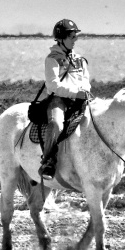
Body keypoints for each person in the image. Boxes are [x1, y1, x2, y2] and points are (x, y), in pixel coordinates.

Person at [39, 18, 92, 177]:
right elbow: (53, 86)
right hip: (58, 101)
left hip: (81, 99)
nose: (75, 40)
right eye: (72, 37)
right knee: (56, 124)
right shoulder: (52, 59)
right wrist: (76, 93)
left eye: (76, 36)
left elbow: (86, 80)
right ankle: (48, 162)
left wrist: (85, 91)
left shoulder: (80, 60)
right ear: (61, 38)